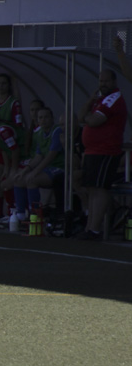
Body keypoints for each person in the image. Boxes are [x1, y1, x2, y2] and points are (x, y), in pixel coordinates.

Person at [75, 69, 127, 240]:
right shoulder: (99, 100)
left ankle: (95, 229)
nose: (102, 84)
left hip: (105, 151)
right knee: (91, 189)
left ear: (114, 82)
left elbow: (93, 121)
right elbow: (81, 117)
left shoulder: (113, 99)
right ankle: (90, 226)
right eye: (100, 81)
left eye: (106, 81)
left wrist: (88, 116)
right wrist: (90, 101)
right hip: (92, 151)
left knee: (99, 188)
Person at [19, 106, 65, 214]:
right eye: (40, 118)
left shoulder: (57, 131)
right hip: (48, 169)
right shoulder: (39, 133)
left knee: (32, 180)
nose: (43, 120)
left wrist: (35, 172)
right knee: (19, 179)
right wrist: (25, 171)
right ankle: (20, 214)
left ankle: (34, 214)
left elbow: (51, 156)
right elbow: (38, 156)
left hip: (59, 168)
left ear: (52, 118)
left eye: (46, 117)